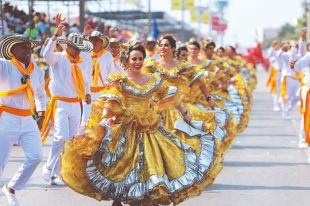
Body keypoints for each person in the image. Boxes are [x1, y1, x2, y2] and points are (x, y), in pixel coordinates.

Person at [60, 41, 221, 206]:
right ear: (127, 60)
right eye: (134, 59)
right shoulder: (120, 81)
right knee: (122, 168)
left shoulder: (153, 80)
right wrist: (103, 121)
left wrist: (186, 115)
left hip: (151, 129)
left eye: (140, 59)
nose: (137, 62)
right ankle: (121, 198)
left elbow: (171, 96)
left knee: (152, 172)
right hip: (127, 129)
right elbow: (110, 103)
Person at [40, 15, 92, 185]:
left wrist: (88, 93)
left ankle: (56, 174)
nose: (77, 51)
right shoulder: (59, 58)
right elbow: (46, 55)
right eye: (75, 48)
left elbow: (85, 80)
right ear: (68, 46)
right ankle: (48, 168)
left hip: (76, 105)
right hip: (60, 103)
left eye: (79, 48)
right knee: (60, 137)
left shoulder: (81, 62)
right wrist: (56, 35)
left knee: (69, 141)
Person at [0, 34, 46, 206]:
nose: (28, 50)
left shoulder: (37, 70)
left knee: (36, 156)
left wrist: (41, 114)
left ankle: (11, 187)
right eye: (23, 47)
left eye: (29, 46)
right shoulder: (4, 66)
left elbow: (41, 94)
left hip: (27, 117)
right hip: (6, 117)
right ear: (12, 51)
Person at [290, 28, 310, 162]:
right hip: (308, 89)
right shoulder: (308, 56)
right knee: (307, 117)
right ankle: (305, 142)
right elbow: (297, 64)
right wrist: (302, 37)